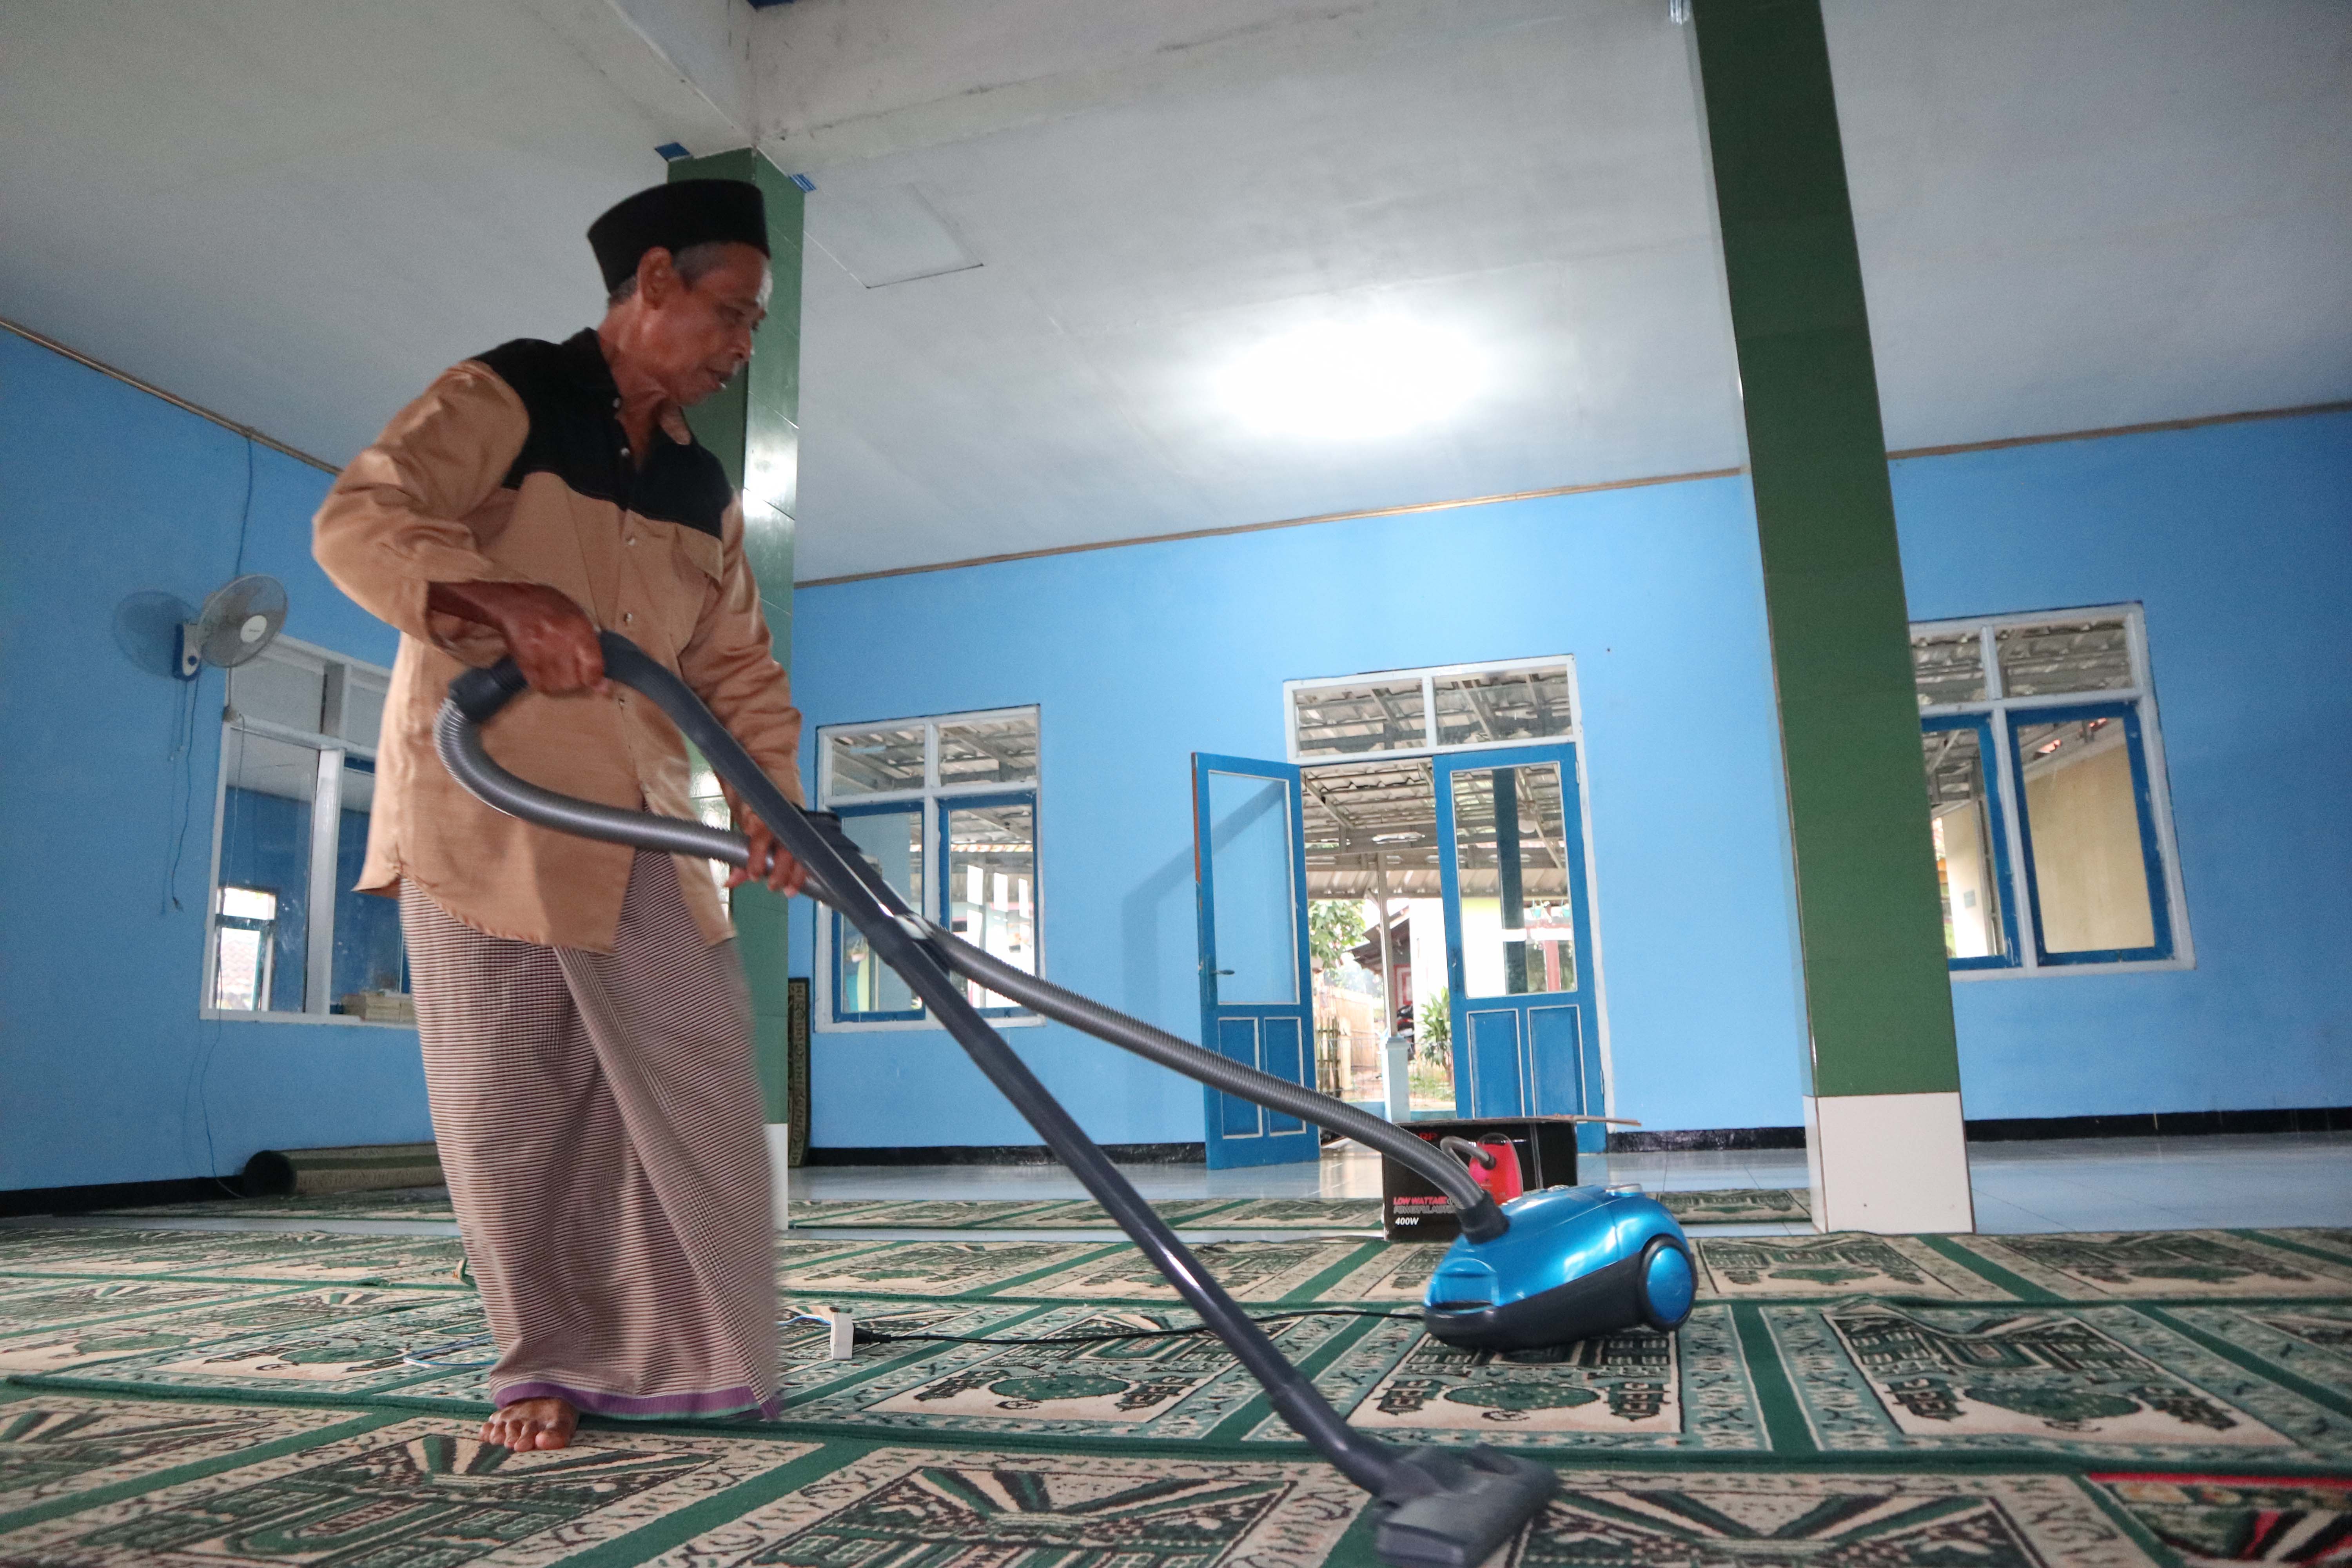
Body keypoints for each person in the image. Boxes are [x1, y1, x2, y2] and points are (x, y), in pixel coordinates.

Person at [314, 179, 807, 1452]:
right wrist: (497, 596)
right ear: (657, 281)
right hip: (492, 820)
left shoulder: (702, 482)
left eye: (756, 327)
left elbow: (737, 666)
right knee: (515, 1108)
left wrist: (773, 803)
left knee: (696, 1084)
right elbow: (362, 519)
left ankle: (706, 1356)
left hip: (643, 823)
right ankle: (543, 1363)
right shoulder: (509, 394)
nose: (743, 347)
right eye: (733, 314)